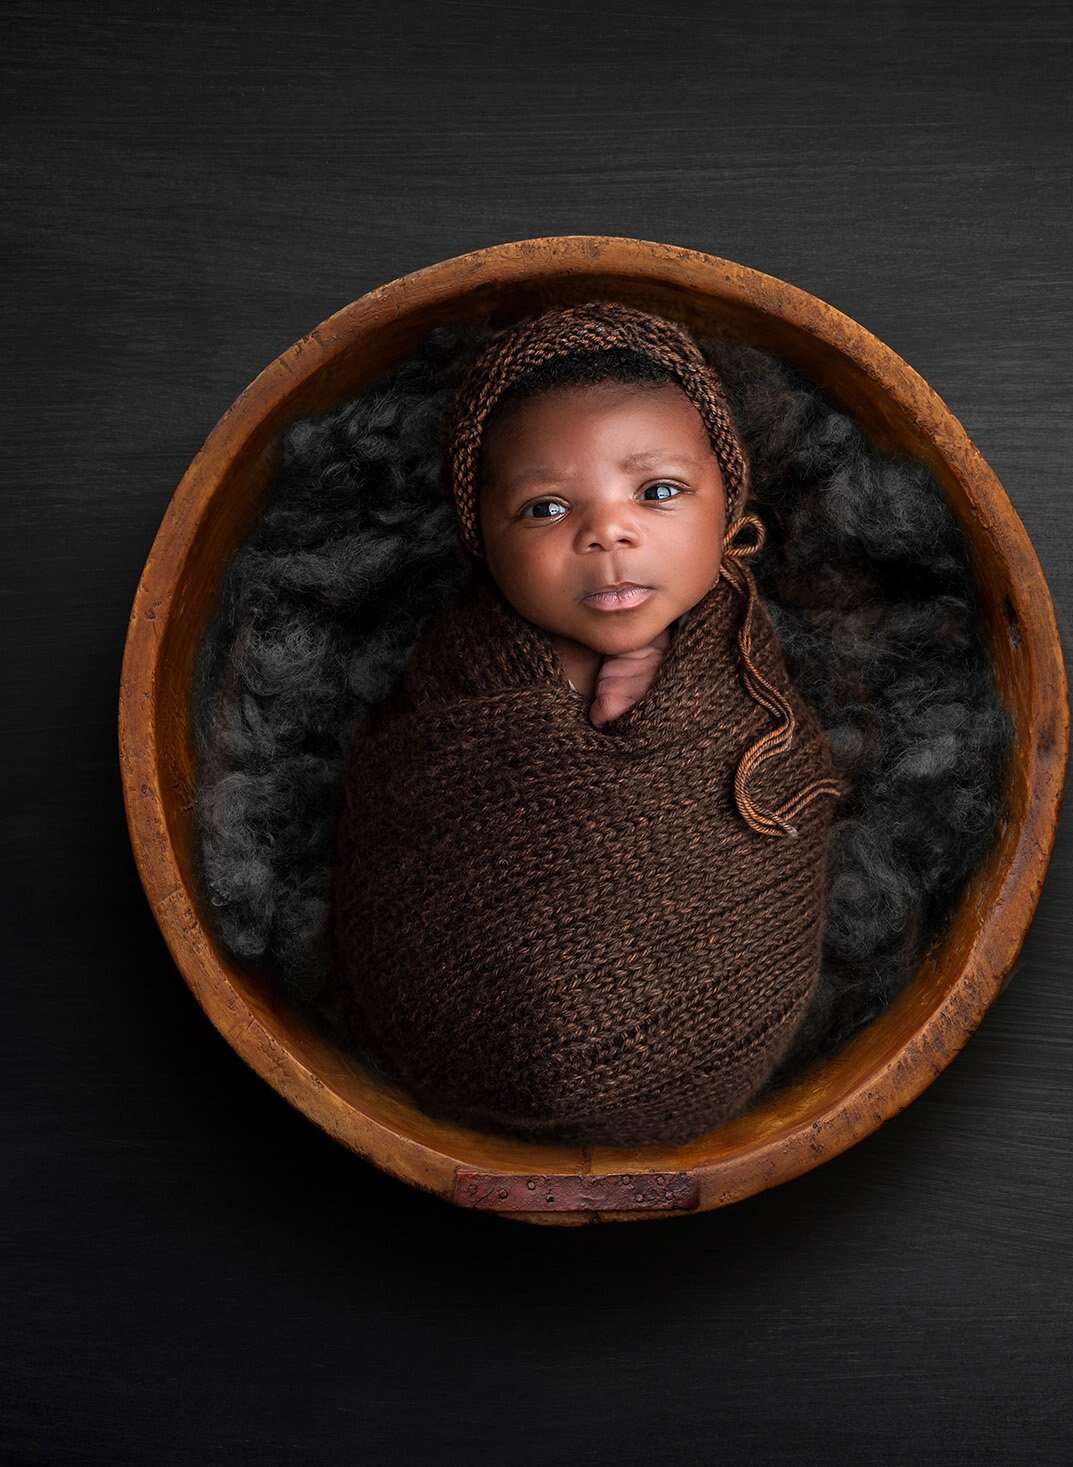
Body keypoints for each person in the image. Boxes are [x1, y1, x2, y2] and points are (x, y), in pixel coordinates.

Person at [328, 301, 843, 1146]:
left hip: (707, 1007)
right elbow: (409, 793)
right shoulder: (462, 661)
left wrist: (668, 684)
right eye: (543, 509)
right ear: (481, 540)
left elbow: (783, 785)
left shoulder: (740, 666)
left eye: (660, 490)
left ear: (729, 501)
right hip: (458, 993)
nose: (608, 530)